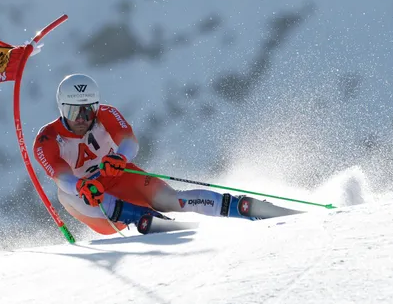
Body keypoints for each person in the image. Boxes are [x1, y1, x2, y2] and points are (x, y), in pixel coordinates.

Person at [33, 73, 301, 235]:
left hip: (120, 176)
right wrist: (80, 184)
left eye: (88, 109)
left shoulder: (107, 114)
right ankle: (139, 218)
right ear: (61, 108)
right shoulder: (47, 139)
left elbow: (129, 142)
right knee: (68, 194)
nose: (82, 118)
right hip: (94, 203)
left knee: (171, 199)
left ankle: (237, 206)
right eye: (74, 112)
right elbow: (61, 176)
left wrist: (120, 158)